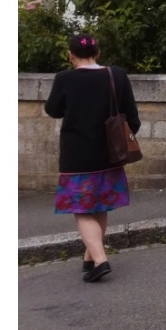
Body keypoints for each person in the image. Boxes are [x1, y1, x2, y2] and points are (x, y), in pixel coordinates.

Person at [44, 33, 140, 282]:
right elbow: (132, 116)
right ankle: (89, 258)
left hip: (77, 155)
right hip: (110, 153)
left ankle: (100, 259)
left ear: (70, 54)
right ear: (98, 53)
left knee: (81, 208)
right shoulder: (116, 74)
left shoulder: (65, 78)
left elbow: (52, 110)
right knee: (100, 204)